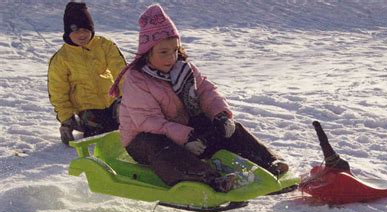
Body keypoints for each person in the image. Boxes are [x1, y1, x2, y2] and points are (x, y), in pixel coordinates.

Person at [109, 4, 288, 192]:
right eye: (163, 52)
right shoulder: (137, 79)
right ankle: (208, 179)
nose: (171, 57)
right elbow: (148, 121)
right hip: (144, 139)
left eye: (174, 50)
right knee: (163, 149)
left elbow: (206, 92)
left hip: (185, 130)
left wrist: (221, 115)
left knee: (229, 130)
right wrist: (186, 136)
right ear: (147, 52)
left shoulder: (184, 69)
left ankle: (269, 163)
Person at [48, 2, 126, 145]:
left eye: (85, 29)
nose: (82, 34)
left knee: (128, 120)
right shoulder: (61, 59)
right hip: (87, 107)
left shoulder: (104, 45)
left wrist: (127, 96)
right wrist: (66, 119)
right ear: (68, 32)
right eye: (76, 30)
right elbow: (58, 91)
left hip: (112, 100)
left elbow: (121, 71)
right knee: (102, 132)